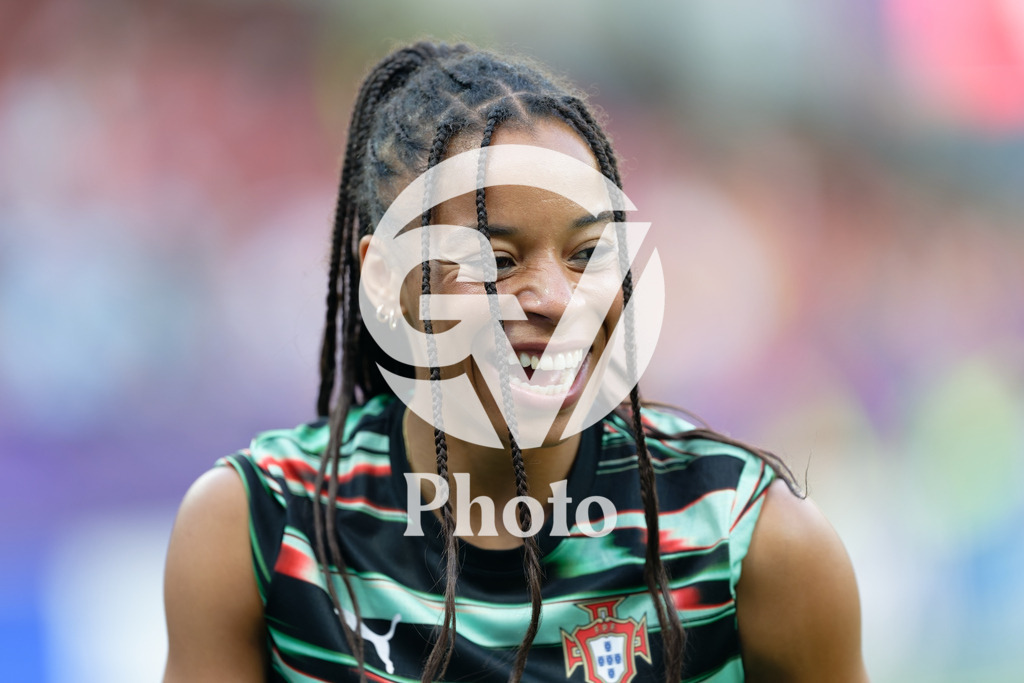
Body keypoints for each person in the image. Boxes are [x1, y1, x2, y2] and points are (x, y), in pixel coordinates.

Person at [162, 42, 868, 683]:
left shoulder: (751, 541)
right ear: (385, 281)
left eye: (588, 255)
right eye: (494, 260)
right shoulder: (258, 527)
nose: (556, 299)